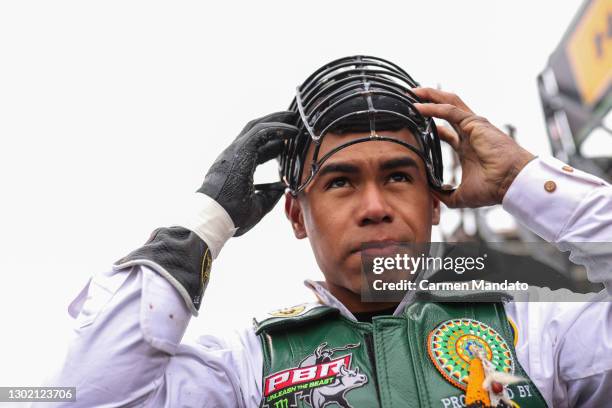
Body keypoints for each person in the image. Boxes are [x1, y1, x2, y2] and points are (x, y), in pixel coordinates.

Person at [39, 56, 612, 408]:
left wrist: (523, 180)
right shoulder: (244, 367)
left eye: (398, 176)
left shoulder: (535, 338)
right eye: (340, 182)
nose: (373, 207)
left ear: (436, 202)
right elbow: (83, 397)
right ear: (295, 215)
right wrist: (205, 223)